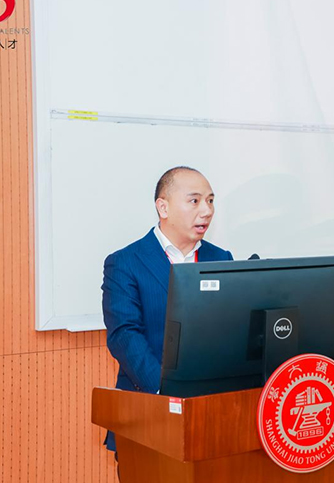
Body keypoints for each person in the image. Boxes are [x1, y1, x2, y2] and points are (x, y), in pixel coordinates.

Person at [101, 166, 233, 452]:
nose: (207, 211)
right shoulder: (125, 262)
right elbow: (124, 335)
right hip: (147, 412)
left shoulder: (221, 259)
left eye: (210, 201)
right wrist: (167, 392)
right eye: (195, 200)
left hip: (213, 412)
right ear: (163, 207)